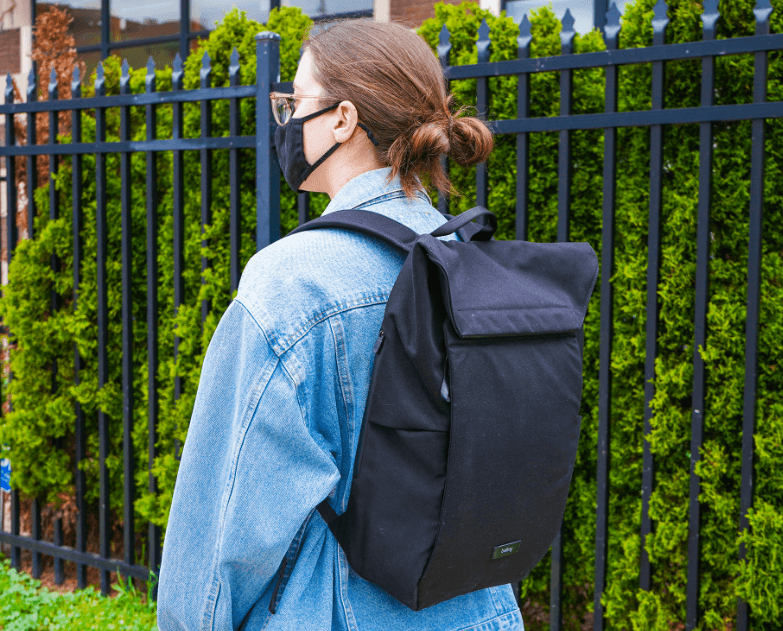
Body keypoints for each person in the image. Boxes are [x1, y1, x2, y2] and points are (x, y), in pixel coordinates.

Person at [157, 19, 524, 631]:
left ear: (343, 120)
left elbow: (227, 523)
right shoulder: (469, 260)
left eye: (294, 103)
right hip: (478, 610)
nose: (286, 122)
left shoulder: (292, 281)